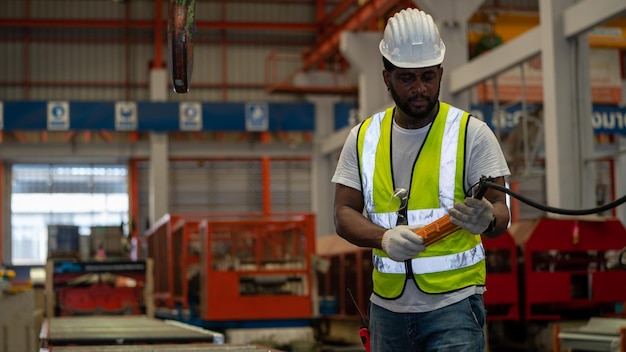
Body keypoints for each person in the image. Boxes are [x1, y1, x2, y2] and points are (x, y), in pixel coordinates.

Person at [331, 7, 510, 352]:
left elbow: (502, 210)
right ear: (387, 77)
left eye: (428, 77)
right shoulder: (363, 136)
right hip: (387, 311)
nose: (419, 89)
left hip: (454, 309)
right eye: (407, 78)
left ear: (441, 72)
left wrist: (487, 218)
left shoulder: (471, 134)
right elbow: (343, 214)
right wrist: (383, 238)